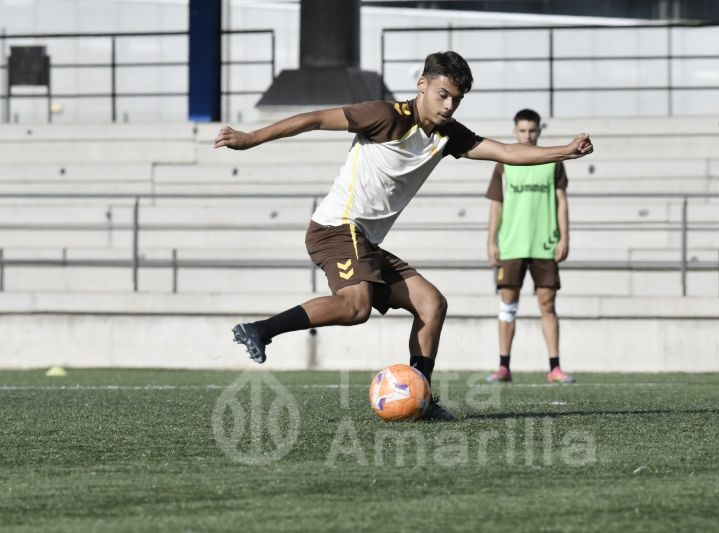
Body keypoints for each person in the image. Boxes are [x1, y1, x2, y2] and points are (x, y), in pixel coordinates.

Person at [214, 52, 592, 420]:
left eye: (456, 100)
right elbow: (314, 118)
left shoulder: (447, 136)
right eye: (442, 95)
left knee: (432, 304)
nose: (448, 106)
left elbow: (506, 151)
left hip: (364, 240)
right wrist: (251, 138)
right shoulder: (383, 116)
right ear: (422, 85)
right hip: (336, 227)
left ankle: (421, 397)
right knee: (355, 306)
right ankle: (261, 330)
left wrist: (565, 151)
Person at [485, 109, 575, 384]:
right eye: (522, 130)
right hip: (512, 244)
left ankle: (555, 367)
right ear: (515, 131)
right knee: (508, 304)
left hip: (544, 244)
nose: (527, 135)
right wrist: (491, 241)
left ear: (539, 131)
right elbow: (496, 205)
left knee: (548, 304)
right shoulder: (504, 162)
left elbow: (561, 201)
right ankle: (503, 366)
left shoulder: (553, 162)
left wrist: (564, 237)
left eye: (532, 131)